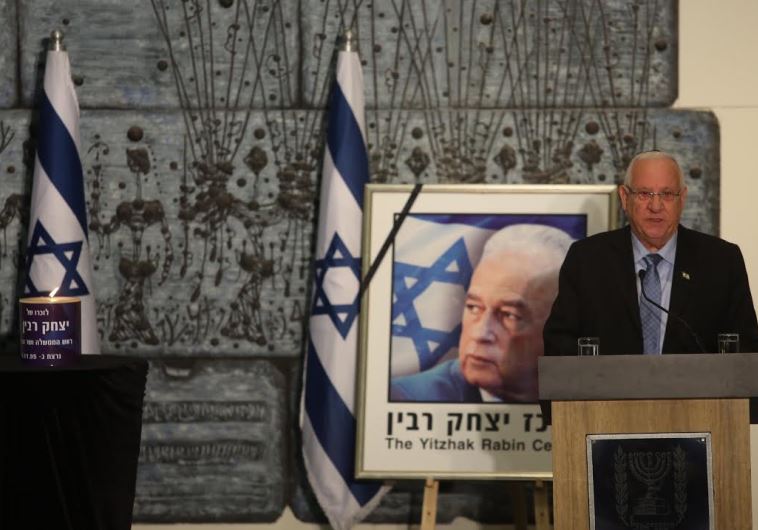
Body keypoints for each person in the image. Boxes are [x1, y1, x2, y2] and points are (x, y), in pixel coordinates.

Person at [543, 150, 758, 356]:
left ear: (682, 199)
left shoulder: (721, 262)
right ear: (625, 198)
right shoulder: (587, 261)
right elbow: (558, 346)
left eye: (667, 194)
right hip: (605, 384)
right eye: (644, 194)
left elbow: (746, 351)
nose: (655, 206)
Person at [391, 224, 574, 403]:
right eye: (473, 307)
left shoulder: (580, 394)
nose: (480, 334)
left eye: (509, 315)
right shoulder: (408, 399)